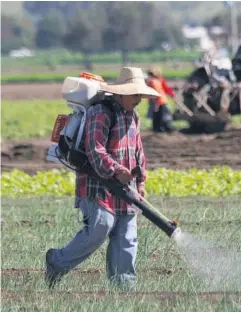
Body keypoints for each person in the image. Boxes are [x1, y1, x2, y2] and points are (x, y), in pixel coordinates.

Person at [45, 67, 160, 289]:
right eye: (135, 95)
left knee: (126, 237)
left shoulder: (133, 116)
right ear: (121, 93)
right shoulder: (101, 112)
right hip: (97, 184)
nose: (138, 100)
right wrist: (117, 170)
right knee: (100, 228)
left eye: (140, 95)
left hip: (126, 188)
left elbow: (138, 150)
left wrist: (141, 180)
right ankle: (56, 262)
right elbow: (94, 149)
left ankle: (123, 286)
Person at [147, 66, 176, 133]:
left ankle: (162, 128)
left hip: (159, 101)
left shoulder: (154, 81)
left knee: (162, 116)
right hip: (159, 101)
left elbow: (158, 91)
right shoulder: (155, 81)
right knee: (159, 115)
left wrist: (171, 93)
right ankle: (159, 128)